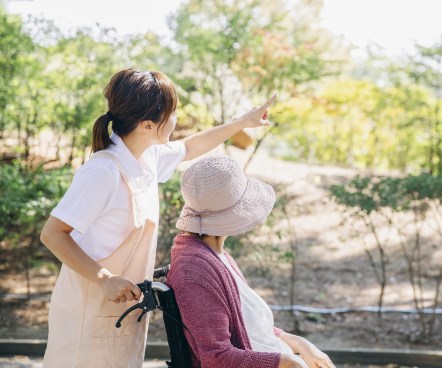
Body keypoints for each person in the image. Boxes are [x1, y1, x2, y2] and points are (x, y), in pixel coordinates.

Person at [40, 68, 276, 368]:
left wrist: (243, 122)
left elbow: (191, 146)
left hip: (124, 311)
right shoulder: (103, 172)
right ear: (148, 125)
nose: (176, 119)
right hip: (88, 311)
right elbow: (52, 233)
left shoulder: (147, 157)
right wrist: (105, 279)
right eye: (172, 112)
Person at [168, 155, 336, 368]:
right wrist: (289, 362)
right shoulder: (195, 271)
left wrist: (300, 344)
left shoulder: (213, 255)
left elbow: (250, 327)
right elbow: (217, 358)